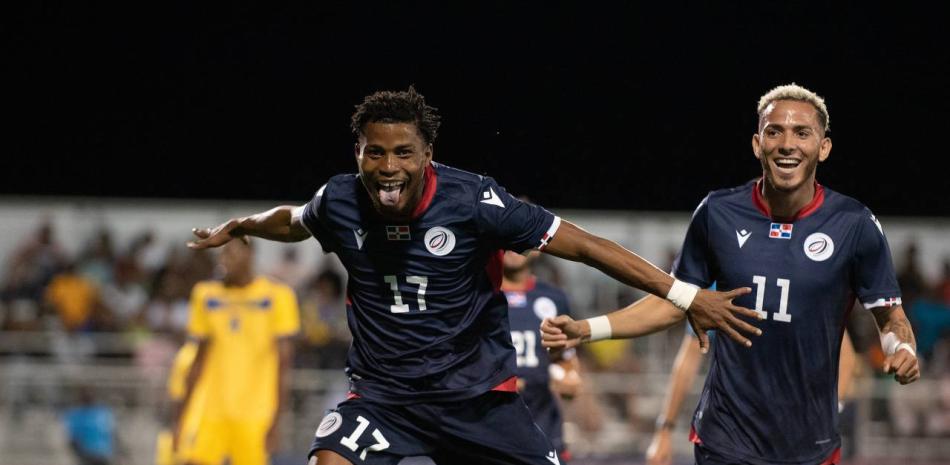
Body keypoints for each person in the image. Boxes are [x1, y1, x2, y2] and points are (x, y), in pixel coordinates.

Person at [187, 87, 760, 465]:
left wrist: (684, 294)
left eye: (404, 153)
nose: (389, 168)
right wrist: (240, 225)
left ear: (428, 153)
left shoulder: (474, 201)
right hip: (384, 399)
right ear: (357, 152)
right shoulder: (338, 200)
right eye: (374, 153)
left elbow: (583, 245)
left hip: (477, 400)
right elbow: (292, 221)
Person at [542, 83, 920, 465]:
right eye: (775, 131)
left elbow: (890, 317)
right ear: (758, 144)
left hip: (810, 445)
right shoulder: (718, 213)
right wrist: (587, 329)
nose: (787, 143)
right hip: (725, 440)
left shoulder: (855, 224)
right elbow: (674, 303)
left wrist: (901, 348)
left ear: (823, 147)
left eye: (802, 133)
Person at [644, 315, 858, 465]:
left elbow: (846, 359)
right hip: (729, 436)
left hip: (791, 440)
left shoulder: (805, 274)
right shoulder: (724, 270)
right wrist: (665, 428)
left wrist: (822, 421)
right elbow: (689, 356)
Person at [176, 238, 300, 465]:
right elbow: (198, 359)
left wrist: (277, 420)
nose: (223, 261)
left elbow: (284, 364)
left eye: (230, 254)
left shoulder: (278, 296)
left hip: (255, 414)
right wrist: (181, 418)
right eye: (221, 255)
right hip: (209, 410)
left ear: (249, 255)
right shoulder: (205, 294)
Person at [502, 249, 581, 462]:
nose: (512, 248)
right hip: (491, 422)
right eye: (505, 240)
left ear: (536, 249)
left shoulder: (555, 298)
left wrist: (569, 377)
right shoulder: (476, 295)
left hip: (543, 423)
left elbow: (565, 357)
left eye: (518, 239)